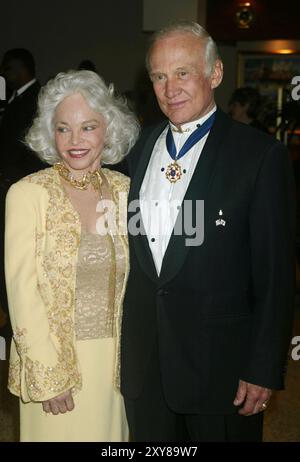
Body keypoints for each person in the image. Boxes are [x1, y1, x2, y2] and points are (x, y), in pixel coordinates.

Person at [120, 21, 296, 442]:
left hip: (222, 368)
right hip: (146, 366)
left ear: (215, 74)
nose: (170, 87)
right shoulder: (136, 150)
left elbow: (275, 275)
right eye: (160, 76)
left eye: (183, 72)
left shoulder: (259, 155)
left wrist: (263, 367)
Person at [5, 70, 139, 442]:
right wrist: (50, 375)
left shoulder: (128, 192)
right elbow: (21, 293)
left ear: (108, 130)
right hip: (56, 368)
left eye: (88, 127)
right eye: (63, 128)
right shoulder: (27, 194)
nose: (74, 141)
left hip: (115, 370)